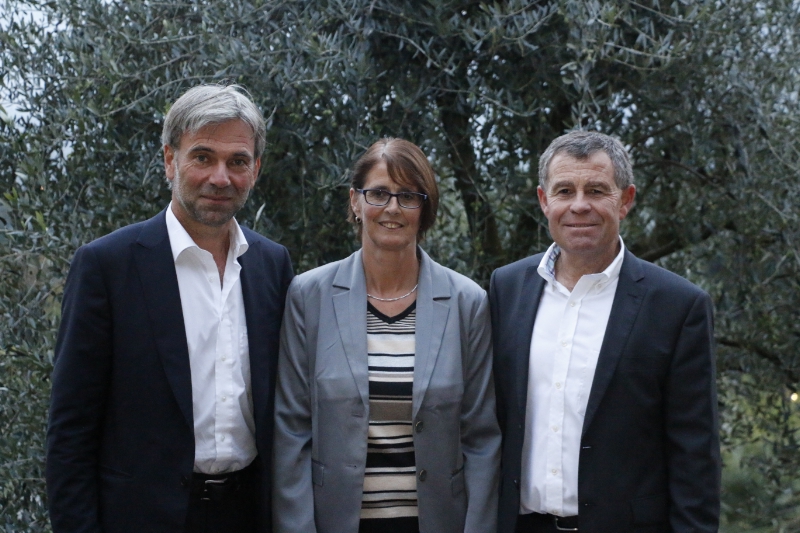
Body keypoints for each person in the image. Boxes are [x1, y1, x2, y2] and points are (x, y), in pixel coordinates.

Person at [46, 84, 293, 533]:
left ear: (255, 169)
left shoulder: (272, 265)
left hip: (250, 515)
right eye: (203, 157)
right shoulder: (108, 266)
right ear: (169, 160)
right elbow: (70, 433)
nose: (220, 177)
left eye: (237, 161)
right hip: (141, 518)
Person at [491, 131, 720, 533]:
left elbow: (694, 455)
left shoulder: (678, 306)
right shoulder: (506, 288)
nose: (579, 205)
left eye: (596, 190)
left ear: (625, 200)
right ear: (544, 200)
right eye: (564, 191)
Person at [272, 137, 501, 533]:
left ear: (424, 208)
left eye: (408, 196)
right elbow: (291, 430)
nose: (392, 208)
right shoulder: (309, 296)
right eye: (378, 193)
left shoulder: (467, 303)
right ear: (355, 201)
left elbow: (481, 438)